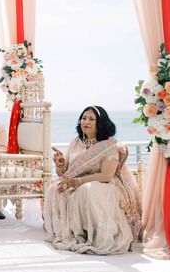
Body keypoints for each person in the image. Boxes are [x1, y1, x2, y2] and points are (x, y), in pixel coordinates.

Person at [43, 106, 142, 254]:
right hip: (78, 182)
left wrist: (78, 182)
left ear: (100, 123)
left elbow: (106, 176)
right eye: (83, 118)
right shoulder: (76, 142)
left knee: (87, 189)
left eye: (91, 119)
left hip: (105, 184)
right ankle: (73, 233)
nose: (85, 122)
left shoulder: (108, 145)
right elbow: (65, 174)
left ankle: (95, 235)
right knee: (55, 188)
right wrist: (61, 164)